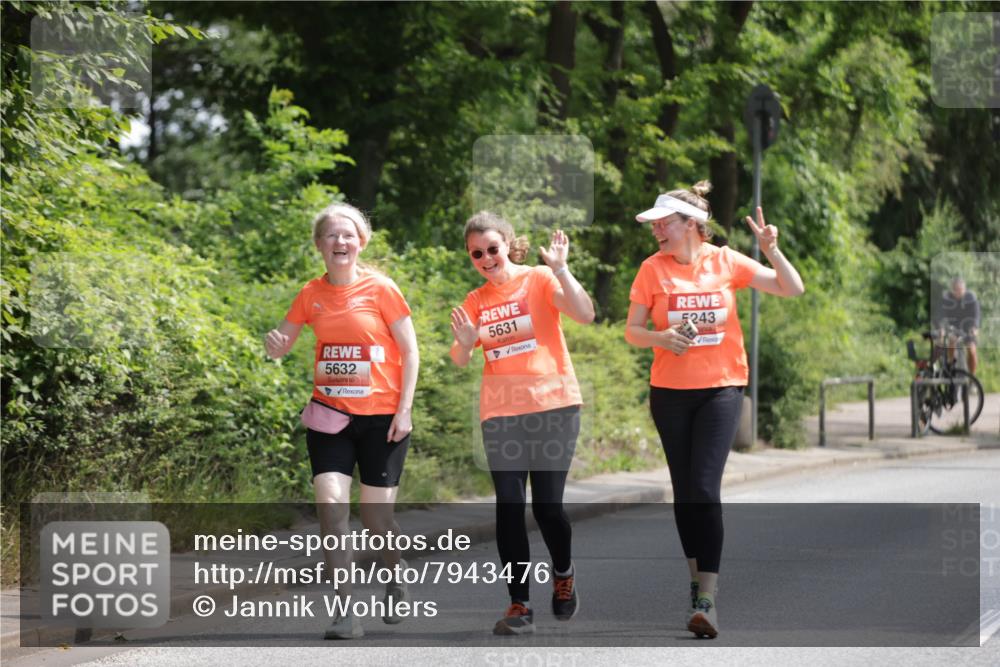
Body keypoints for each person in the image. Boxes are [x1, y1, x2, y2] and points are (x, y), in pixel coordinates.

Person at [624, 182, 804, 639]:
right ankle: (695, 584)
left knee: (704, 488)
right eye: (655, 225)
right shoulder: (652, 270)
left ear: (691, 225)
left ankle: (708, 596)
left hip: (722, 389)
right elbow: (633, 331)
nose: (656, 231)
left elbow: (792, 288)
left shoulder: (726, 261)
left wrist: (771, 251)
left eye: (664, 224)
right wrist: (660, 338)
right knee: (684, 493)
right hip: (669, 392)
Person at [264, 202, 419, 640]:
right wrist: (274, 346)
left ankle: (394, 572)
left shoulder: (382, 289)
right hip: (329, 417)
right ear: (319, 245)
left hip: (383, 420)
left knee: (375, 519)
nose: (340, 242)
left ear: (361, 242)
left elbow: (410, 351)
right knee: (332, 511)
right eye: (331, 235)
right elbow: (283, 341)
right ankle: (345, 612)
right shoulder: (310, 294)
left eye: (348, 234)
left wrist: (405, 410)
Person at [449, 211, 595, 635]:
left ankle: (563, 573)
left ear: (507, 245)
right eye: (477, 253)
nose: (486, 258)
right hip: (501, 414)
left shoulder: (538, 279)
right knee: (509, 508)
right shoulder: (475, 301)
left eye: (492, 249)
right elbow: (461, 359)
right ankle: (519, 604)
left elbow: (584, 314)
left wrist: (562, 270)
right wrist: (463, 344)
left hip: (554, 407)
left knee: (548, 507)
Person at [937, 276, 980, 374]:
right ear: (952, 290)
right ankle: (951, 365)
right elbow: (941, 315)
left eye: (960, 290)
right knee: (951, 341)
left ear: (964, 289)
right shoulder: (946, 299)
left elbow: (976, 315)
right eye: (955, 290)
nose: (958, 292)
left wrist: (975, 328)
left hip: (968, 328)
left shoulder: (971, 298)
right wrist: (942, 328)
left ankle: (971, 378)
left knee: (972, 350)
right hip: (954, 328)